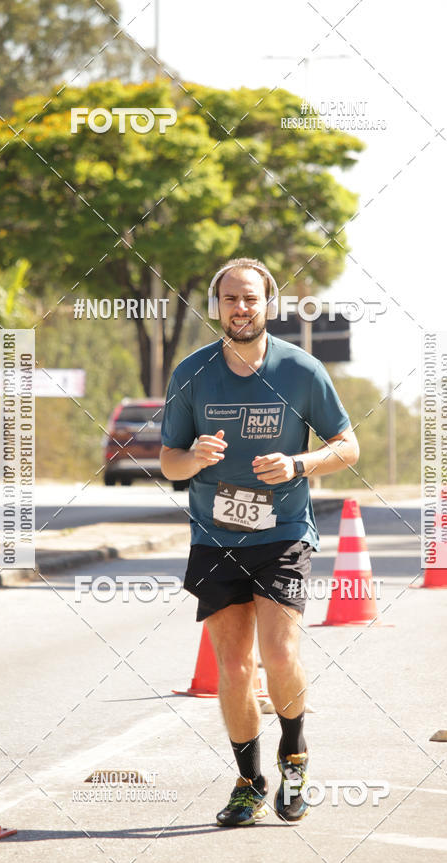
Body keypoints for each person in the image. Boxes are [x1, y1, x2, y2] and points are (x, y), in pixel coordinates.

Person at [160, 257, 359, 826]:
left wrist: (298, 463)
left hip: (284, 532)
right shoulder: (191, 373)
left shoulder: (301, 369)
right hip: (215, 536)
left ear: (269, 304)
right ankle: (249, 782)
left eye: (251, 298)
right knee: (235, 667)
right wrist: (193, 458)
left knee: (279, 654)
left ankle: (293, 755)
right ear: (217, 306)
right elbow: (169, 462)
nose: (241, 308)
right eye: (231, 298)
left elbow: (348, 446)